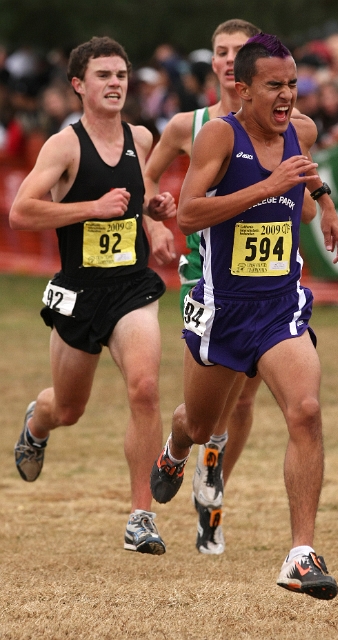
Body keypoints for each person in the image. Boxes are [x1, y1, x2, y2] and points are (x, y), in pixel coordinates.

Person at [150, 33, 338, 600]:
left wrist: (327, 207)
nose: (288, 97)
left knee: (305, 411)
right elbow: (189, 212)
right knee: (201, 422)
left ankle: (301, 555)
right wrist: (267, 186)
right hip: (221, 310)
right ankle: (175, 450)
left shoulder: (301, 131)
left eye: (292, 85)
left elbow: (307, 171)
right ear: (243, 89)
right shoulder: (219, 135)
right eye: (274, 87)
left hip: (280, 304)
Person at [9, 36, 176, 556]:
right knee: (69, 408)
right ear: (78, 84)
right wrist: (90, 209)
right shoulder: (63, 145)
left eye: (122, 75)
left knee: (145, 389)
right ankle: (37, 423)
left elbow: (139, 202)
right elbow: (21, 212)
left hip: (132, 287)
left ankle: (140, 517)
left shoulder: (142, 139)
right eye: (104, 76)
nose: (115, 84)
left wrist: (156, 220)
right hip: (80, 293)